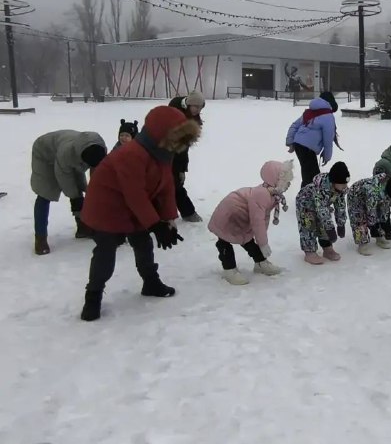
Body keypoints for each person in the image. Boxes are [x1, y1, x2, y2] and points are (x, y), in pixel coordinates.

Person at [79, 105, 201, 321]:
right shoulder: (131, 154)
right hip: (106, 207)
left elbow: (166, 186)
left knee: (143, 244)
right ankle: (93, 296)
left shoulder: (163, 152)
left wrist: (168, 220)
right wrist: (154, 224)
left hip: (135, 207)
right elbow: (134, 193)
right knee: (106, 252)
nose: (180, 144)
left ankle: (150, 282)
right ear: (161, 134)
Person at [207, 159, 294, 285]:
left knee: (247, 239)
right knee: (224, 241)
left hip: (241, 217)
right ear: (276, 181)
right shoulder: (262, 195)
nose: (288, 185)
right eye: (286, 182)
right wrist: (263, 243)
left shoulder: (271, 194)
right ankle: (229, 269)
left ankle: (260, 263)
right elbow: (257, 221)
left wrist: (262, 239)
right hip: (229, 215)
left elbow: (263, 219)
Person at [30, 129, 108, 255]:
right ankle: (40, 238)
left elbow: (97, 172)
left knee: (78, 188)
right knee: (45, 193)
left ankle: (82, 227)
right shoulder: (66, 153)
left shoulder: (99, 150)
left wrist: (93, 190)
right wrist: (75, 197)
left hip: (72, 155)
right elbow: (64, 177)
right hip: (44, 154)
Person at [295, 161, 349, 265]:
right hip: (305, 204)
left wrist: (341, 224)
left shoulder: (340, 190)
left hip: (322, 205)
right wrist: (331, 229)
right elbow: (322, 210)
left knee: (322, 226)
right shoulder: (320, 189)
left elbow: (340, 206)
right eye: (342, 183)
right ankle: (310, 252)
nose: (345, 186)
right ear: (334, 181)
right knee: (309, 226)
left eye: (346, 183)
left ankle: (327, 248)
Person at [285, 91, 339, 188]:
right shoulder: (328, 116)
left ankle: (307, 194)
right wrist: (327, 156)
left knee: (308, 174)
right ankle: (307, 195)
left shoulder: (310, 112)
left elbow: (295, 125)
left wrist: (290, 141)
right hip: (308, 148)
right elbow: (328, 139)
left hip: (298, 144)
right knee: (313, 177)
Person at [347, 174, 391, 256]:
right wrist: (373, 225)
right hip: (356, 197)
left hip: (376, 196)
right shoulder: (372, 191)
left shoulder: (389, 186)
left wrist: (383, 220)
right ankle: (362, 243)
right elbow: (371, 212)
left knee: (380, 214)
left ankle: (379, 237)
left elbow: (384, 207)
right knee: (359, 220)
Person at [168, 90, 205, 222]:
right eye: (195, 106)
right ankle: (186, 212)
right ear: (188, 104)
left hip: (178, 154)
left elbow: (184, 148)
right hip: (164, 150)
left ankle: (187, 212)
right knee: (168, 184)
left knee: (175, 183)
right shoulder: (174, 109)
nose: (198, 110)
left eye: (200, 107)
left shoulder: (193, 119)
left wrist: (182, 169)